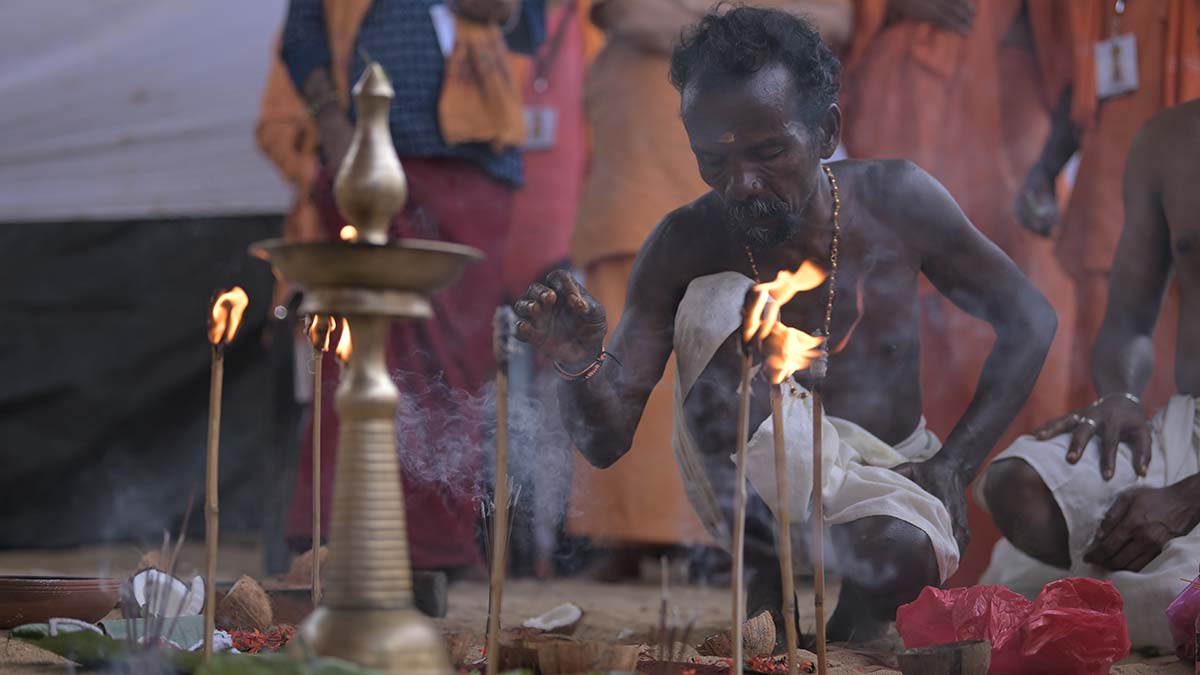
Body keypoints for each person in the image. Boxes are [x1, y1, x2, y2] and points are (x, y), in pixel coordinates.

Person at [515, 7, 1056, 640]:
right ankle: (764, 570)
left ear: (826, 131)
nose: (742, 184)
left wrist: (954, 466)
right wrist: (577, 362)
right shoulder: (685, 241)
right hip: (745, 495)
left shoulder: (897, 200)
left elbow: (1030, 318)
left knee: (902, 556)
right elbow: (606, 442)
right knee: (718, 301)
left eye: (770, 152)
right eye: (714, 162)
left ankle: (847, 631)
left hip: (885, 474)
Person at [567, 0, 853, 580]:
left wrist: (727, 44)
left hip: (752, 140)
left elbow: (834, 20)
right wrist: (719, 45)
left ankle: (732, 544)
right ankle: (632, 536)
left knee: (740, 332)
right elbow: (624, 14)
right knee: (636, 333)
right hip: (646, 141)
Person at [279, 0, 545, 573]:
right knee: (352, 340)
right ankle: (334, 537)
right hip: (361, 160)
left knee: (451, 360)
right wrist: (332, 127)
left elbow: (525, 25)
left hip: (469, 166)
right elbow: (302, 35)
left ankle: (431, 550)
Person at [838, 0, 1079, 582]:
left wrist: (1049, 162)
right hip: (898, 105)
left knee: (1028, 330)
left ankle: (1029, 556)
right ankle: (906, 556)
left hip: (1004, 115)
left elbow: (1075, 41)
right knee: (901, 338)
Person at [982, 100, 1200, 653]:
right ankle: (1145, 591)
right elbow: (1129, 322)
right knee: (1017, 484)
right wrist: (1122, 397)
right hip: (1187, 429)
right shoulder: (1167, 139)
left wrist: (1188, 499)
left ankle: (1134, 595)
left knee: (1162, 598)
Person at [1014, 0, 1199, 413]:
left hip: (1190, 199)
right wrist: (1046, 169)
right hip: (1110, 196)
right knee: (1105, 388)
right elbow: (1084, 85)